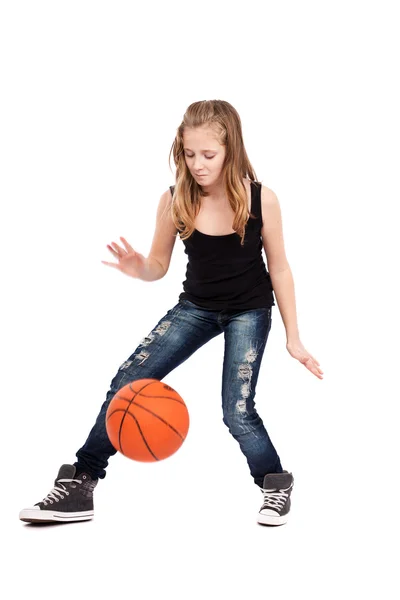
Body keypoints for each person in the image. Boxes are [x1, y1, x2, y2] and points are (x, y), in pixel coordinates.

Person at [19, 99, 323, 527]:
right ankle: (81, 482)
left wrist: (294, 337)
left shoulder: (261, 199)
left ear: (230, 150)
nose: (197, 164)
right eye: (188, 153)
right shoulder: (175, 198)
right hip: (196, 308)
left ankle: (274, 482)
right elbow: (157, 266)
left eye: (208, 155)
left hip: (248, 311)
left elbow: (281, 268)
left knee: (236, 410)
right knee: (127, 381)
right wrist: (138, 268)